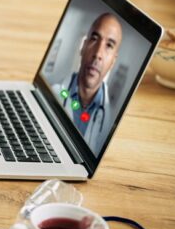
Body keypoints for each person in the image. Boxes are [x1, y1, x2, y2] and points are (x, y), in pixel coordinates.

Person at [52, 13, 123, 155]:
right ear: (83, 47)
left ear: (113, 61)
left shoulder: (113, 125)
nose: (98, 54)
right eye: (94, 39)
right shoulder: (55, 92)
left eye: (109, 45)